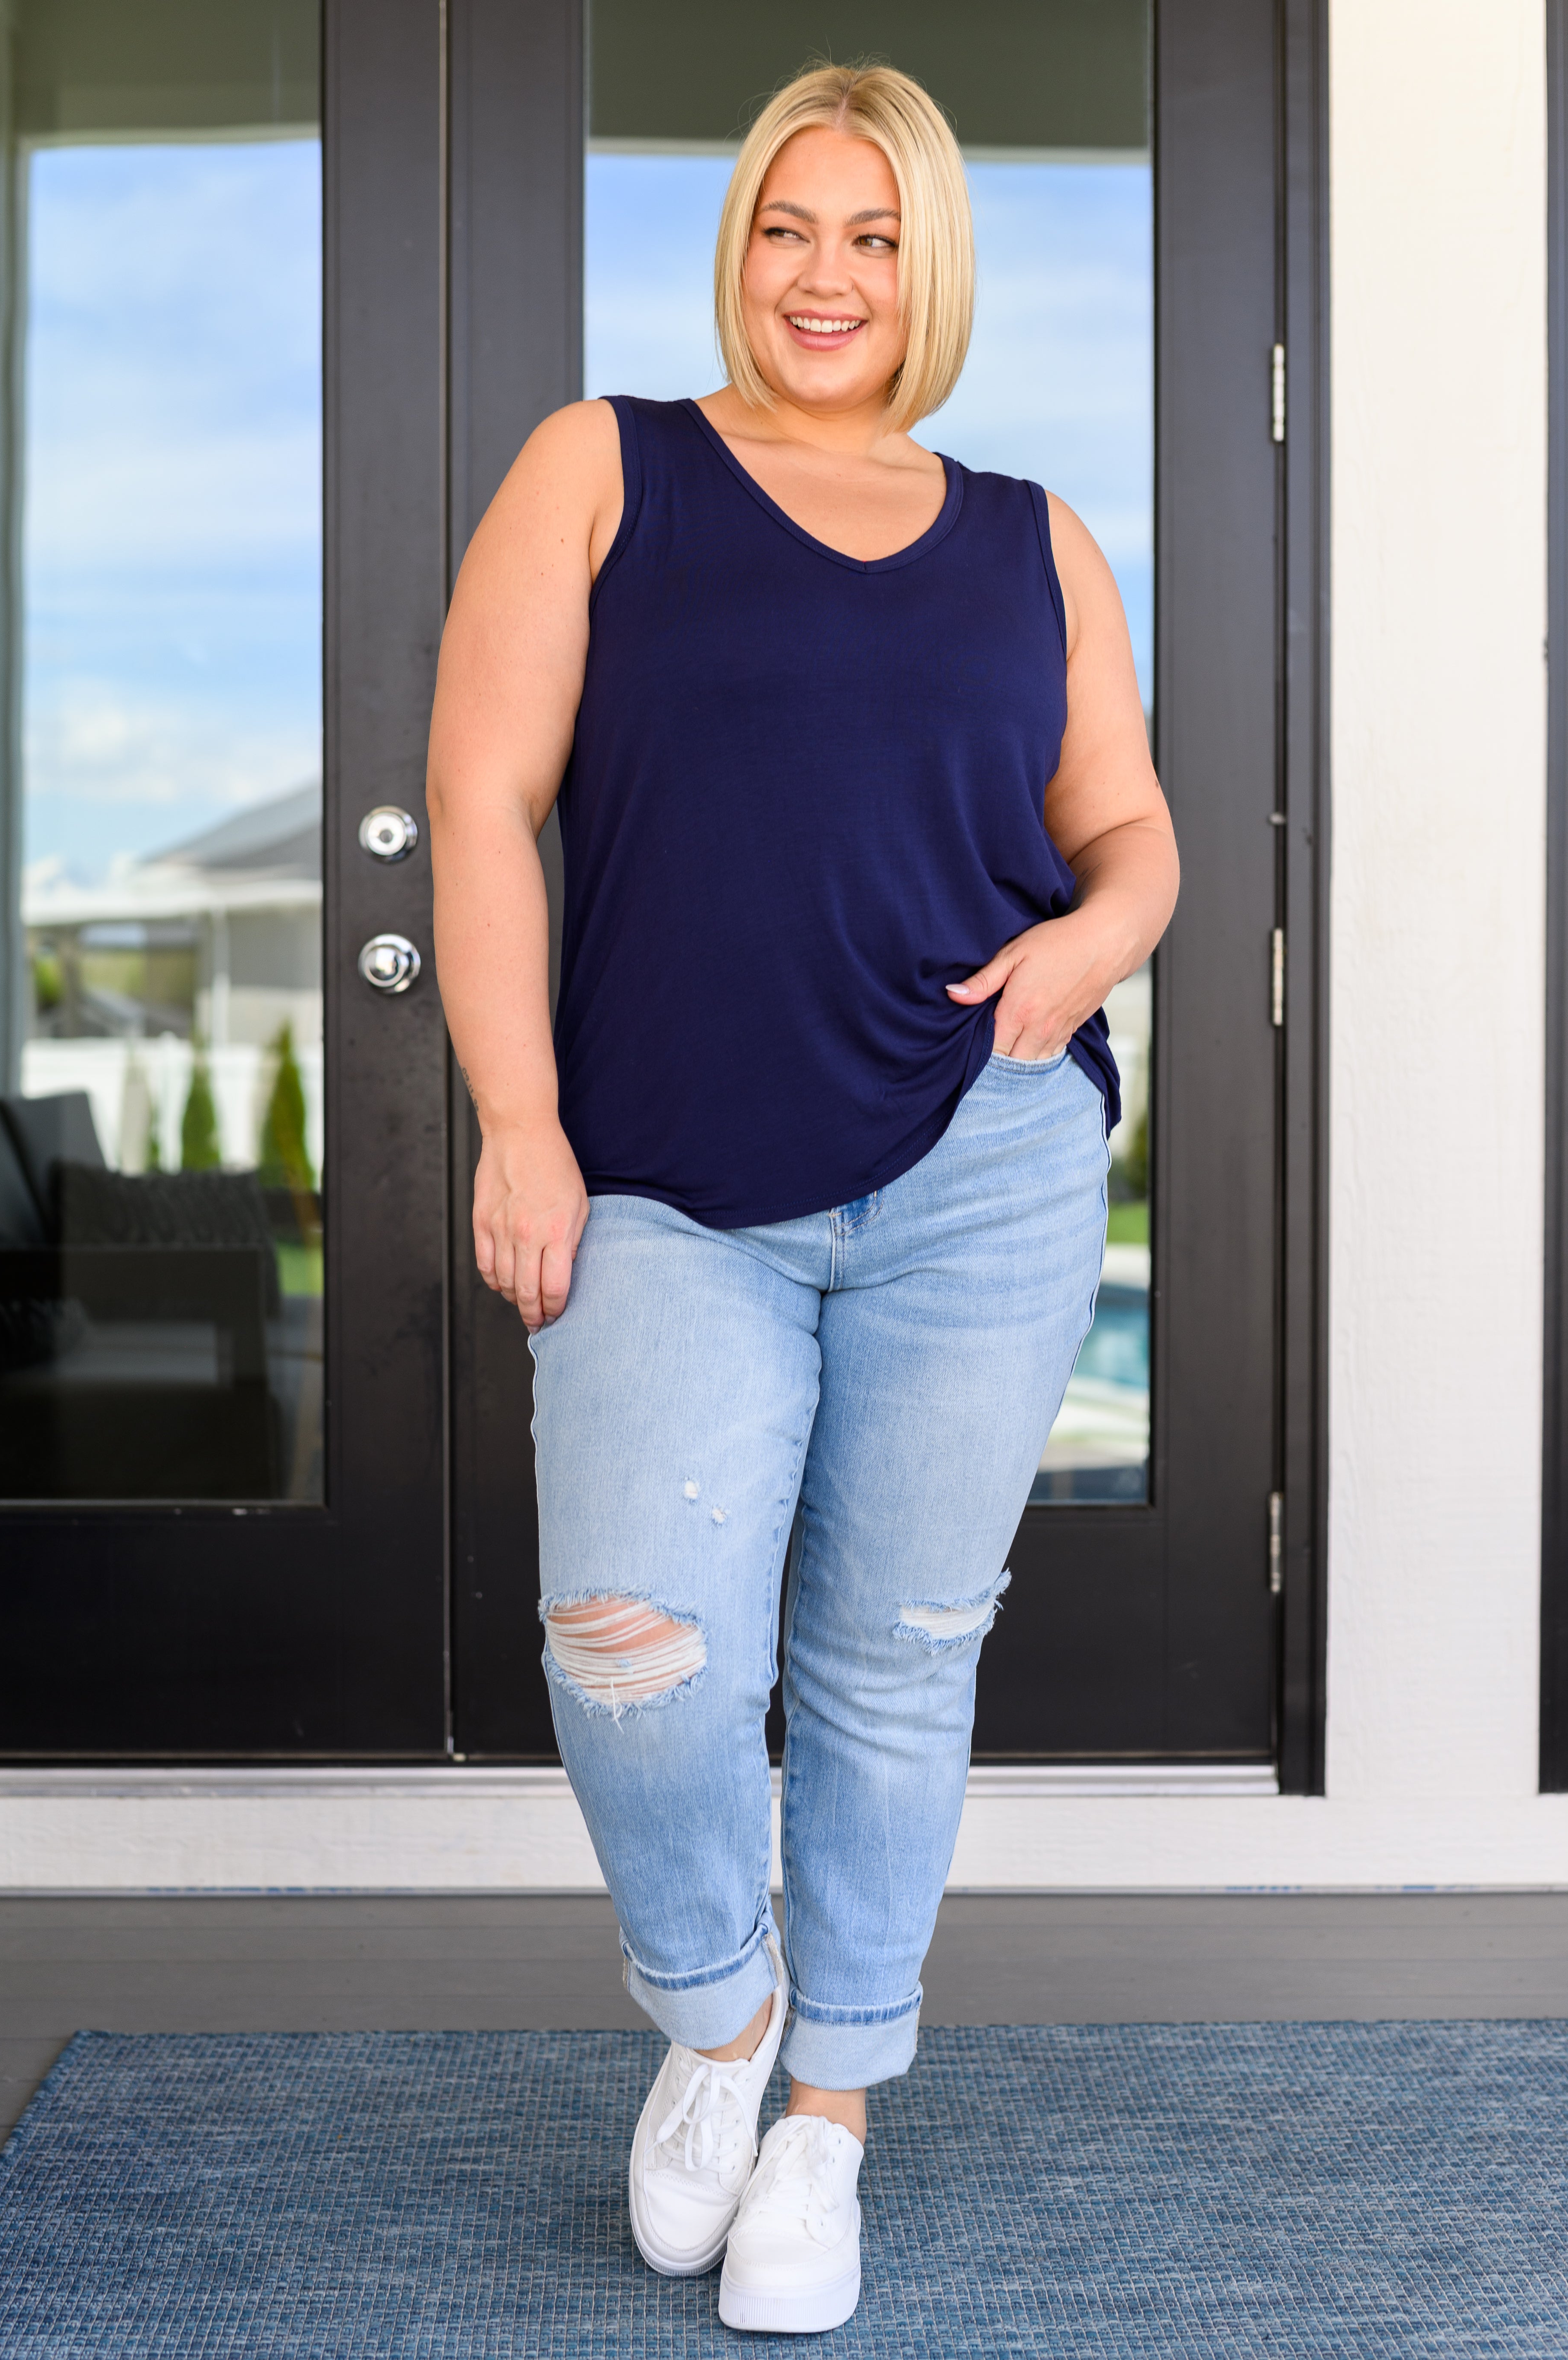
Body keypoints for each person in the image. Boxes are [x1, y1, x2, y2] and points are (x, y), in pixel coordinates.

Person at [427, 60, 1178, 2337]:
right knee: (634, 1644)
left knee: (893, 1655)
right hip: (664, 1173)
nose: (824, 274)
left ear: (925, 267)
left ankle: (828, 2117)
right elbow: (479, 797)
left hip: (983, 1157)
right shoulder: (603, 468)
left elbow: (1131, 833)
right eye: (786, 226)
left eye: (871, 234)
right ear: (737, 250)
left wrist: (1087, 943)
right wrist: (521, 1119)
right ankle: (725, 2012)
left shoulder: (1032, 537)